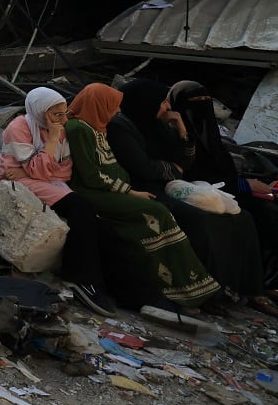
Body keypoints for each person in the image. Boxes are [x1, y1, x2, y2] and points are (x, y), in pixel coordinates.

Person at [109, 79, 276, 316]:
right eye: (162, 103)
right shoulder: (122, 129)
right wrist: (175, 168)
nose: (167, 109)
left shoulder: (160, 127)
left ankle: (250, 289)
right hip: (145, 188)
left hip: (175, 185)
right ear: (145, 104)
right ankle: (207, 293)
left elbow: (182, 163)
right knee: (200, 221)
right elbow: (146, 169)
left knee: (243, 218)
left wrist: (182, 131)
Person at [66, 82, 220, 311]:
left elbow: (180, 164)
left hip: (120, 188)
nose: (117, 112)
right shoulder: (81, 128)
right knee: (159, 213)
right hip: (98, 190)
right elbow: (93, 175)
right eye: (111, 106)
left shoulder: (100, 127)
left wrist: (182, 133)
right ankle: (174, 291)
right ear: (99, 105)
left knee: (169, 216)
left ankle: (191, 291)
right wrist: (129, 191)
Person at [0, 87, 116, 316]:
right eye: (56, 115)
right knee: (79, 207)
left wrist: (33, 170)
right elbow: (41, 170)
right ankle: (79, 277)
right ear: (39, 112)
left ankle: (107, 283)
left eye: (65, 114)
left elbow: (63, 171)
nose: (62, 121)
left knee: (102, 225)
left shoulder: (59, 129)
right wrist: (49, 145)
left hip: (41, 180)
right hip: (16, 182)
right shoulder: (19, 127)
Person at [169, 79, 278, 288]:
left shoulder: (211, 137)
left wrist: (247, 185)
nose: (202, 106)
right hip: (199, 194)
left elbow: (223, 171)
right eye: (195, 101)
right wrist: (244, 186)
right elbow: (193, 176)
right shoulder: (176, 135)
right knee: (263, 215)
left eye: (206, 100)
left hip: (227, 191)